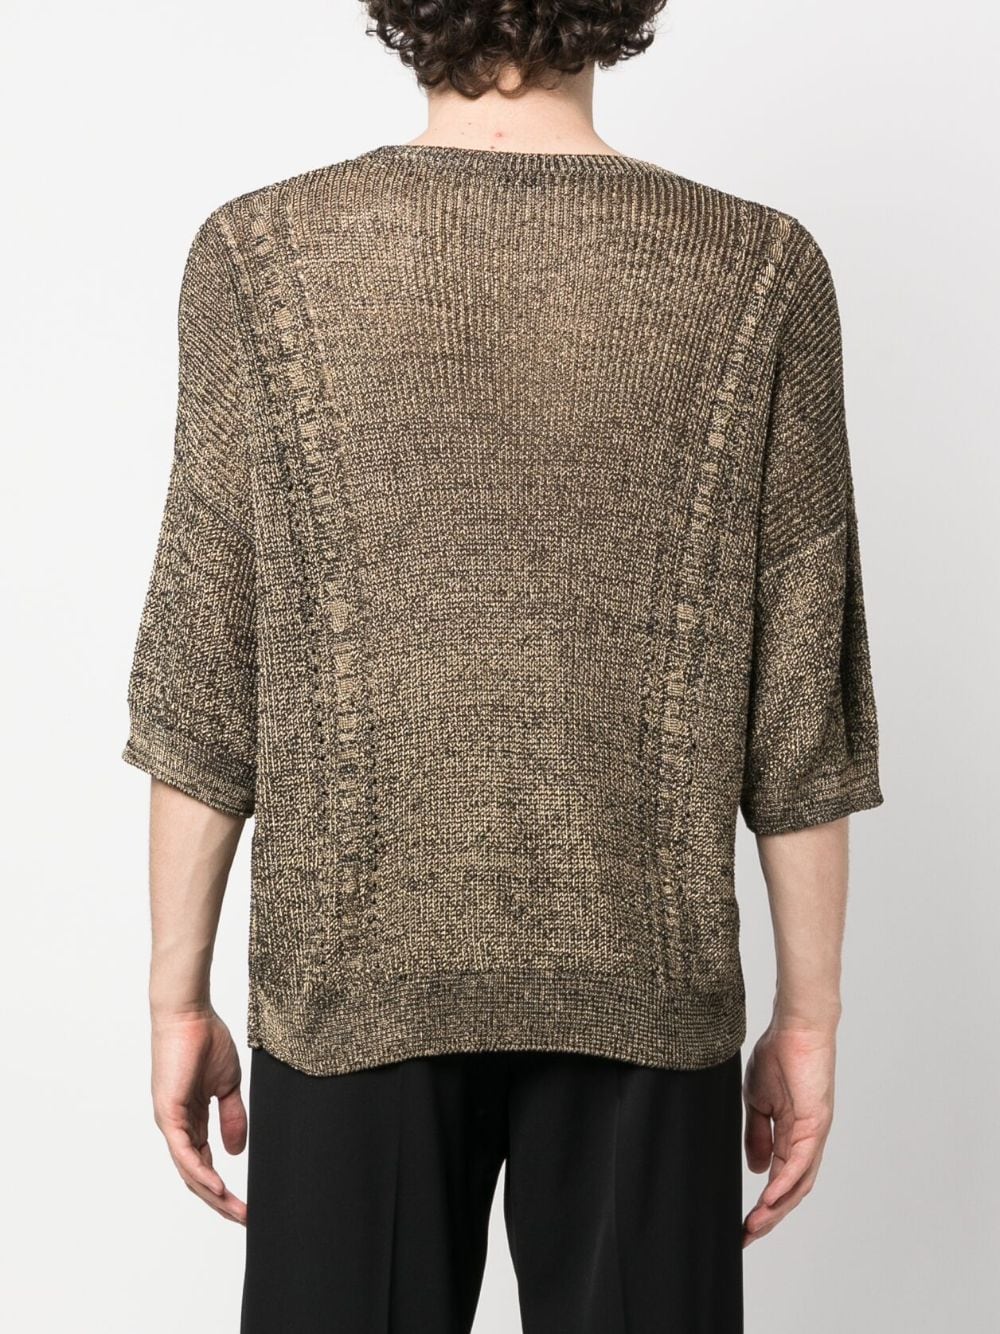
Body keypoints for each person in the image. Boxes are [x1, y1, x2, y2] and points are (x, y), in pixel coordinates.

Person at [121, 3, 885, 1330]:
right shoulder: (758, 270)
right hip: (646, 982)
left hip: (350, 983)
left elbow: (203, 672)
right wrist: (809, 1017)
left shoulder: (260, 256)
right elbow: (800, 710)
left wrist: (174, 995)